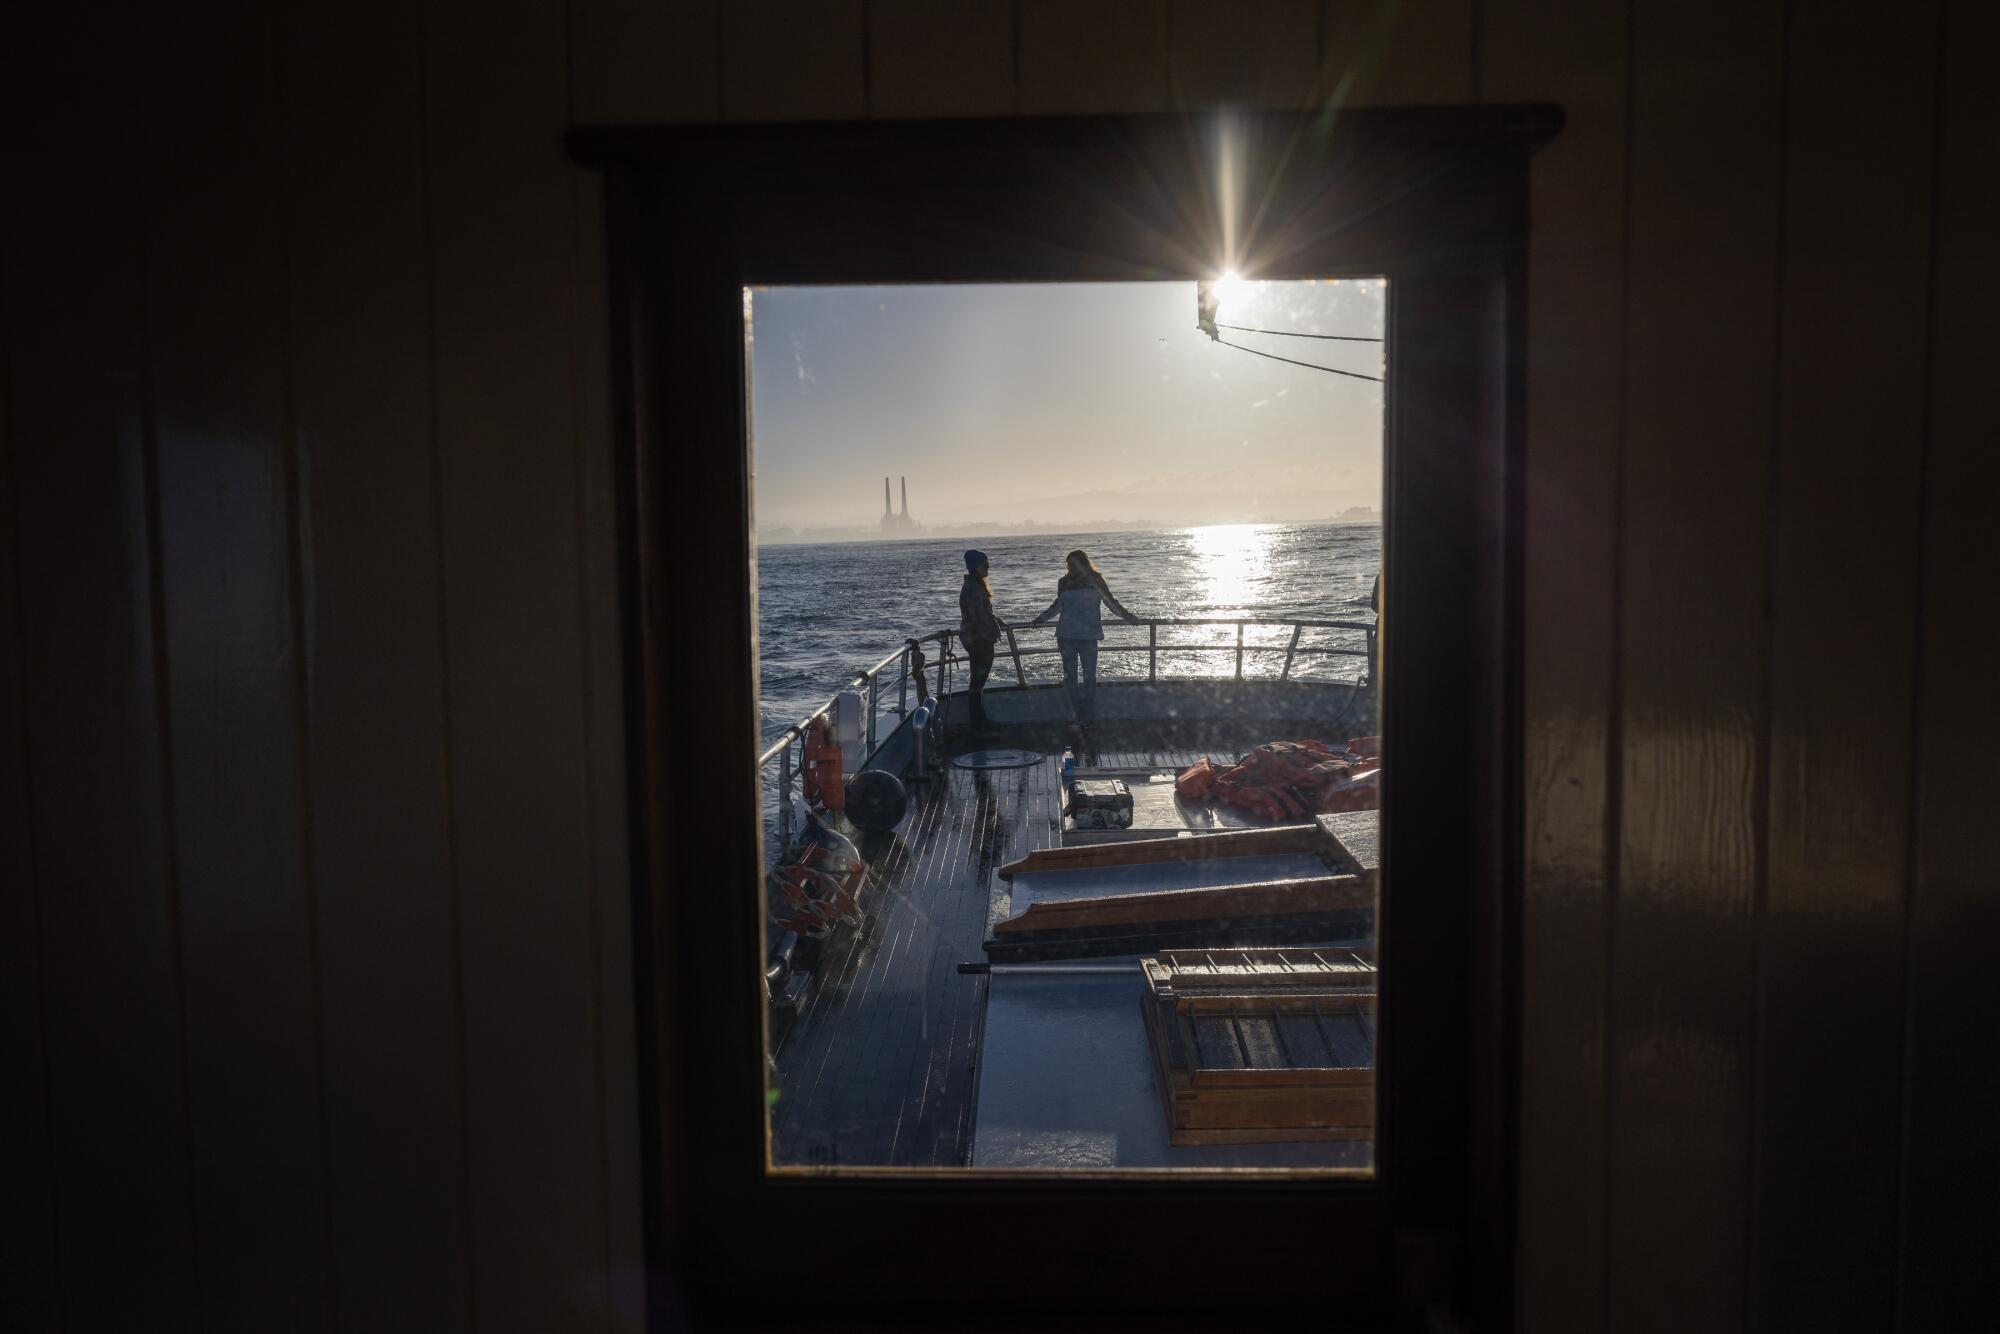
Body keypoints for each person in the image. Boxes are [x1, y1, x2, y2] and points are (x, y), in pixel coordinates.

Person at [1030, 548, 1140, 726]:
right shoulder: (1069, 582)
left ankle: (1084, 714)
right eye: (1069, 565)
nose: (1070, 568)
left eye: (1073, 564)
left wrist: (1128, 617)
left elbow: (1110, 603)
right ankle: (1079, 713)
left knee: (1084, 676)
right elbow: (1057, 606)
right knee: (1076, 677)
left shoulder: (1087, 581)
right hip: (1073, 636)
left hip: (1079, 635)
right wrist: (1040, 619)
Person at [959, 550, 1006, 729]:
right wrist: (989, 634)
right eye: (985, 565)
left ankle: (979, 719)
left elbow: (983, 613)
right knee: (978, 683)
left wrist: (996, 621)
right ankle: (978, 722)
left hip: (977, 639)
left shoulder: (974, 586)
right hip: (980, 641)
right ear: (975, 567)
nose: (988, 568)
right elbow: (978, 617)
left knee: (978, 682)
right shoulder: (973, 589)